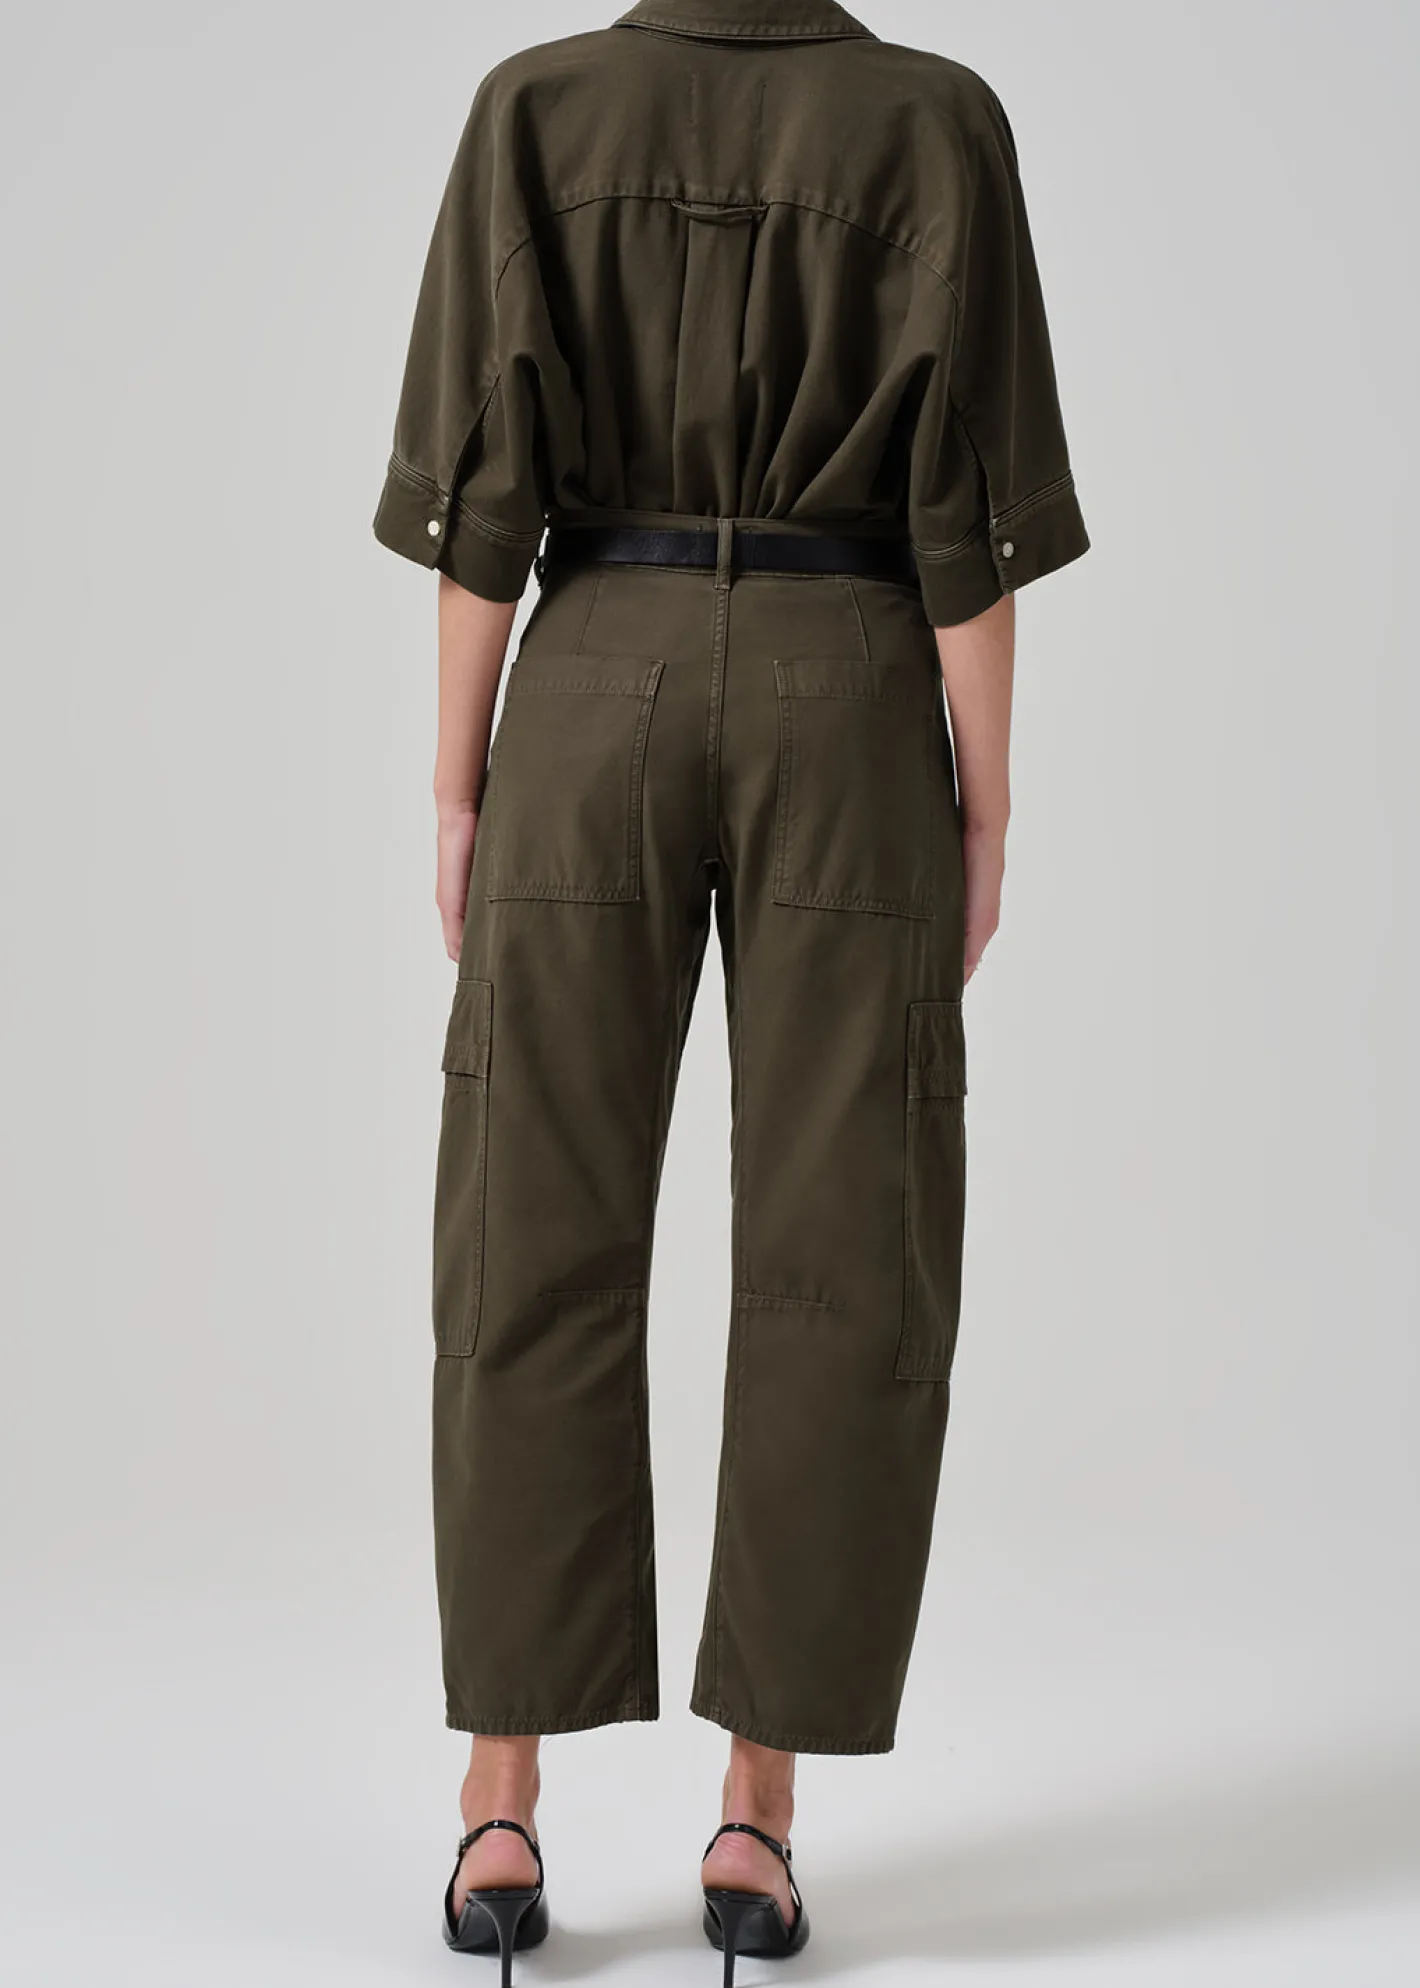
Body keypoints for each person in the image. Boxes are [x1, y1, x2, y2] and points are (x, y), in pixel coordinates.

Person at [372, 2, 1089, 1979]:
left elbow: (484, 503)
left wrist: (455, 783)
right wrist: (986, 800)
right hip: (846, 689)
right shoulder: (934, 125)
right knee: (841, 1243)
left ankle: (499, 1802)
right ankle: (755, 1818)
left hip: (588, 673)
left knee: (528, 1223)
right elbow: (962, 521)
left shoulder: (535, 109)